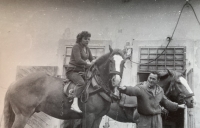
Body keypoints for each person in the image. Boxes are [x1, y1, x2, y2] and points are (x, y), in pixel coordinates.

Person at [118, 71, 185, 128]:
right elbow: (133, 90)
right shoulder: (141, 88)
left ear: (158, 80)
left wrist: (178, 106)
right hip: (144, 119)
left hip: (157, 119)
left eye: (153, 79)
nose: (150, 80)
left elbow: (165, 102)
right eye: (150, 78)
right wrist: (125, 89)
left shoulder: (160, 90)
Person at [66, 31, 94, 112]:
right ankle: (74, 104)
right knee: (81, 83)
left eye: (89, 39)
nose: (87, 41)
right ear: (80, 39)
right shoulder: (76, 46)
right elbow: (78, 60)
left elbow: (92, 60)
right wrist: (89, 64)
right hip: (72, 71)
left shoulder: (87, 48)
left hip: (81, 71)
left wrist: (96, 62)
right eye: (85, 39)